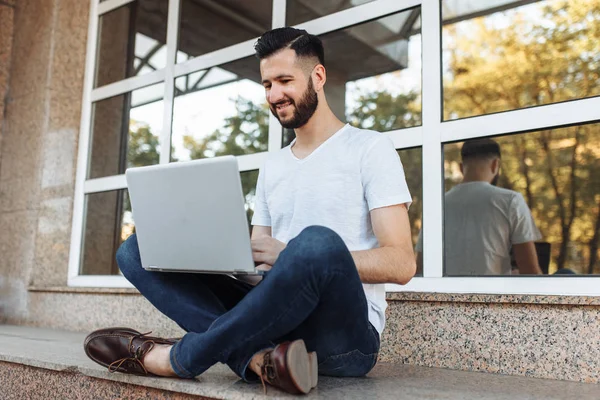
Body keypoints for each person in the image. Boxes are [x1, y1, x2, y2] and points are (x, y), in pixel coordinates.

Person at [83, 27, 416, 395]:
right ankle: (263, 361)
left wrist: (291, 255)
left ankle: (178, 358)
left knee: (316, 243)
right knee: (135, 250)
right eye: (267, 84)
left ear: (317, 77)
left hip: (344, 339)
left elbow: (401, 263)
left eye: (285, 80)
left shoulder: (370, 149)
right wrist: (227, 258)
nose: (275, 95)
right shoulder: (273, 167)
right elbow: (260, 269)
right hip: (275, 322)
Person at [415, 138, 542, 276]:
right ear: (495, 165)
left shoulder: (436, 205)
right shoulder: (511, 201)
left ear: (461, 167)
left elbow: (421, 268)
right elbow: (530, 272)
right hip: (492, 295)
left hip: (445, 294)